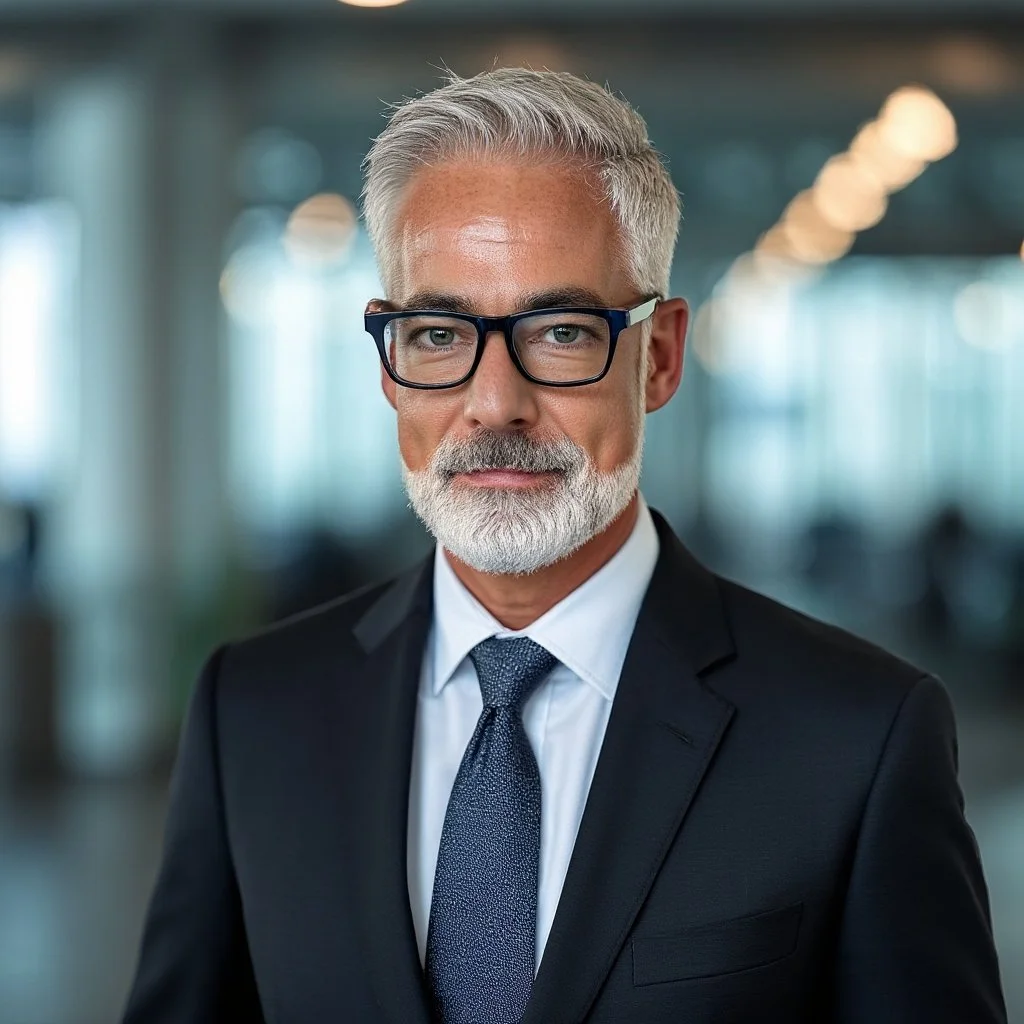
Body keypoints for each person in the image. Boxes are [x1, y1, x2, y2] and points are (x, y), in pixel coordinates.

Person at [122, 69, 1006, 1024]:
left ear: (658, 357)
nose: (494, 402)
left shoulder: (857, 736)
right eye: (437, 333)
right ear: (391, 367)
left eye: (561, 332)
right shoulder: (254, 713)